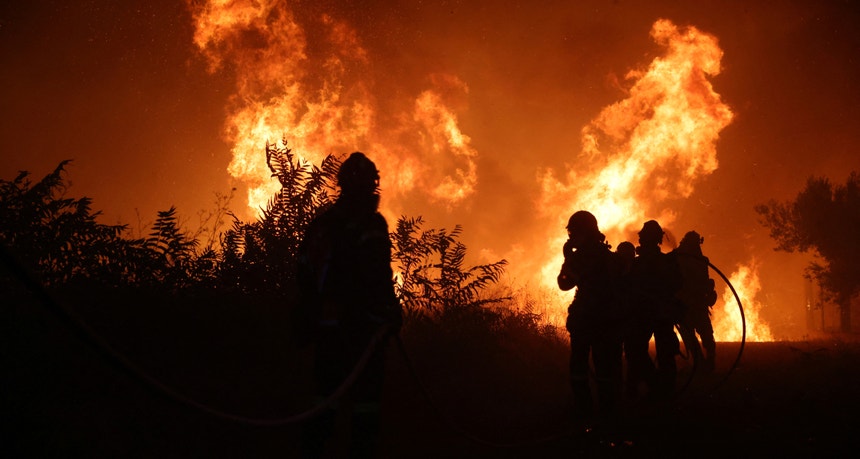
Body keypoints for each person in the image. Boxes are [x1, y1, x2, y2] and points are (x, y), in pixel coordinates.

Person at [297, 152, 402, 458]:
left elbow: (303, 272)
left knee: (324, 400)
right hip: (361, 332)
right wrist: (390, 312)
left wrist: (315, 312)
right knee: (365, 406)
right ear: (371, 185)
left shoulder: (322, 225)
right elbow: (377, 276)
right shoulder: (371, 224)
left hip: (325, 332)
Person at [557, 211, 625, 422]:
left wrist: (568, 258)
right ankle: (608, 415)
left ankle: (585, 414)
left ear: (582, 233)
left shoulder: (580, 258)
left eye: (573, 232)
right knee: (605, 371)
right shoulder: (609, 256)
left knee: (579, 370)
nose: (571, 237)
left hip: (587, 321)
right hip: (606, 322)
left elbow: (564, 284)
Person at [625, 220, 683, 401]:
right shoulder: (667, 262)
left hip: (645, 314)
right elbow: (677, 284)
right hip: (659, 314)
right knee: (662, 354)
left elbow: (629, 287)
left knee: (636, 351)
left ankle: (654, 387)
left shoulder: (639, 264)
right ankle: (662, 390)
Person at [672, 231, 718, 373]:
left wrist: (709, 290)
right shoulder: (678, 257)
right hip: (686, 304)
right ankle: (702, 363)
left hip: (695, 304)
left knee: (704, 335)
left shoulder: (700, 260)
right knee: (693, 336)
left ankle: (707, 362)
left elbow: (705, 281)